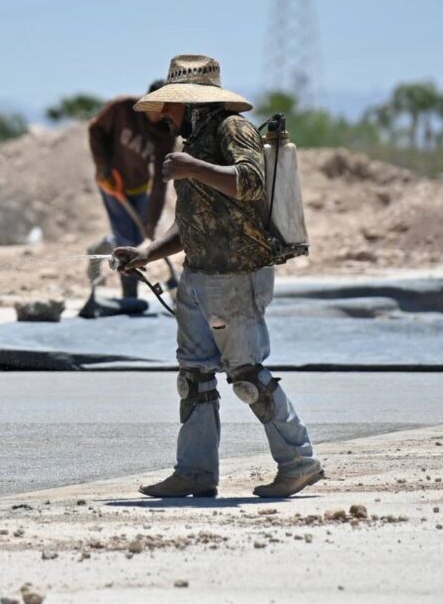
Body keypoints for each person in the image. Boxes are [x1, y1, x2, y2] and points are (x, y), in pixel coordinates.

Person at [113, 54, 323, 498]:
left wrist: (192, 169)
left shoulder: (232, 129)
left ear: (190, 103)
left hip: (236, 275)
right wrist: (148, 252)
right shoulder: (192, 144)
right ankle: (194, 472)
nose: (164, 116)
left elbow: (252, 182)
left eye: (170, 106)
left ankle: (299, 462)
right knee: (193, 376)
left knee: (246, 374)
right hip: (199, 274)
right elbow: (192, 224)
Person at [88, 81, 176, 299]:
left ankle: (104, 246)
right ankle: (130, 294)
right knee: (128, 238)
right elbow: (95, 129)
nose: (161, 115)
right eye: (158, 108)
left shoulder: (165, 134)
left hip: (138, 186)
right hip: (112, 182)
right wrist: (102, 165)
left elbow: (159, 182)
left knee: (138, 236)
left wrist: (152, 222)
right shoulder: (122, 109)